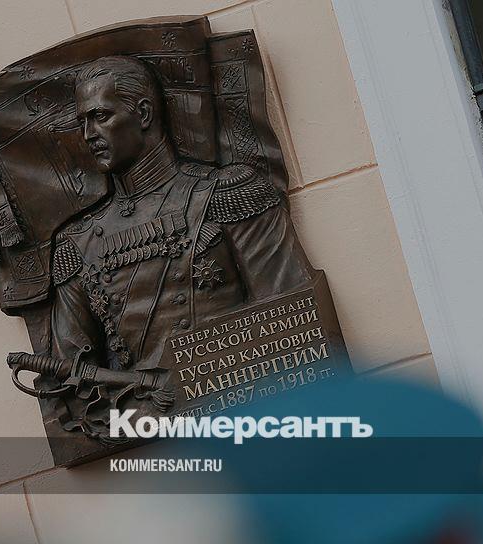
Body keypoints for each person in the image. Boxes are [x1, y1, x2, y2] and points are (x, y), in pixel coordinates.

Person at [37, 55, 313, 437]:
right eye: (82, 121)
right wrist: (147, 415)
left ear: (144, 113)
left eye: (100, 116)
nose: (88, 134)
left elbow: (294, 323)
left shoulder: (228, 194)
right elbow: (72, 389)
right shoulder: (77, 244)